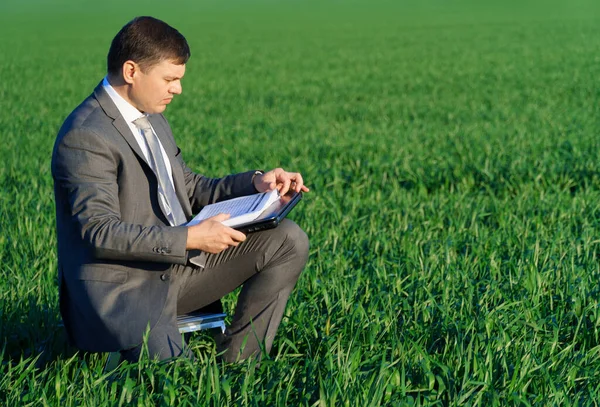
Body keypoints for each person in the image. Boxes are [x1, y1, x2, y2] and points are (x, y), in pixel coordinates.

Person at [51, 16, 309, 363]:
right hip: (126, 292)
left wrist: (256, 183)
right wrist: (190, 239)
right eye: (170, 79)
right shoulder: (86, 136)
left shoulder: (151, 115)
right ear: (131, 71)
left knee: (288, 240)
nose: (178, 89)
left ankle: (242, 365)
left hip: (176, 268)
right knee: (181, 384)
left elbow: (188, 188)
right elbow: (98, 232)